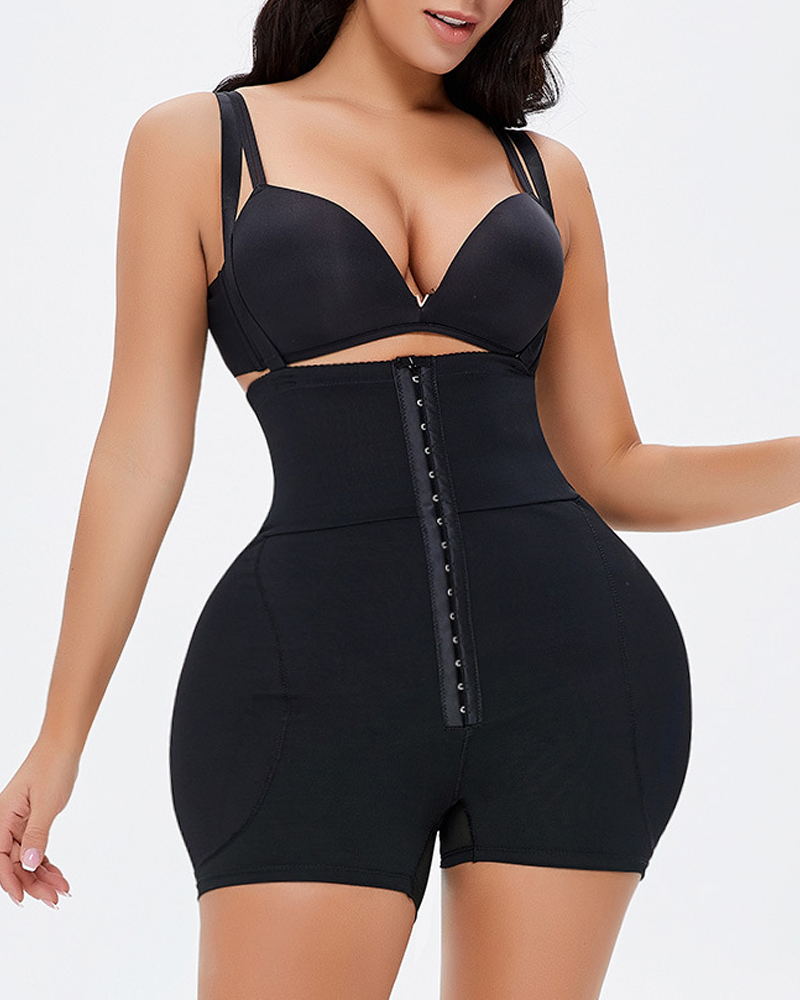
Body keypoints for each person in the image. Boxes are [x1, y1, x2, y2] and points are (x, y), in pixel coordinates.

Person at [1, 1, 798, 996]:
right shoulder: (196, 143)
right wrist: (60, 735)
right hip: (304, 686)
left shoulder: (544, 174)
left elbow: (613, 467)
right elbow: (139, 454)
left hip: (578, 683)